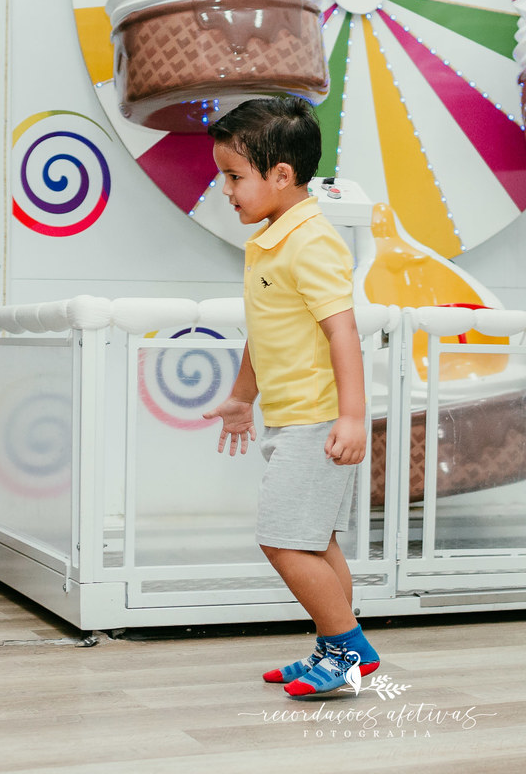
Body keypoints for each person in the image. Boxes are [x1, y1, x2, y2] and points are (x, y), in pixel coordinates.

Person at [202, 97, 379, 697]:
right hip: (293, 418)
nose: (226, 190)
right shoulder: (273, 240)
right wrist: (240, 399)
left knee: (281, 539)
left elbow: (342, 332)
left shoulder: (311, 241)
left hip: (317, 420)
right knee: (314, 541)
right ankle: (333, 649)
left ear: (281, 175)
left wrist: (352, 417)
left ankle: (350, 649)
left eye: (234, 177)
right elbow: (266, 330)